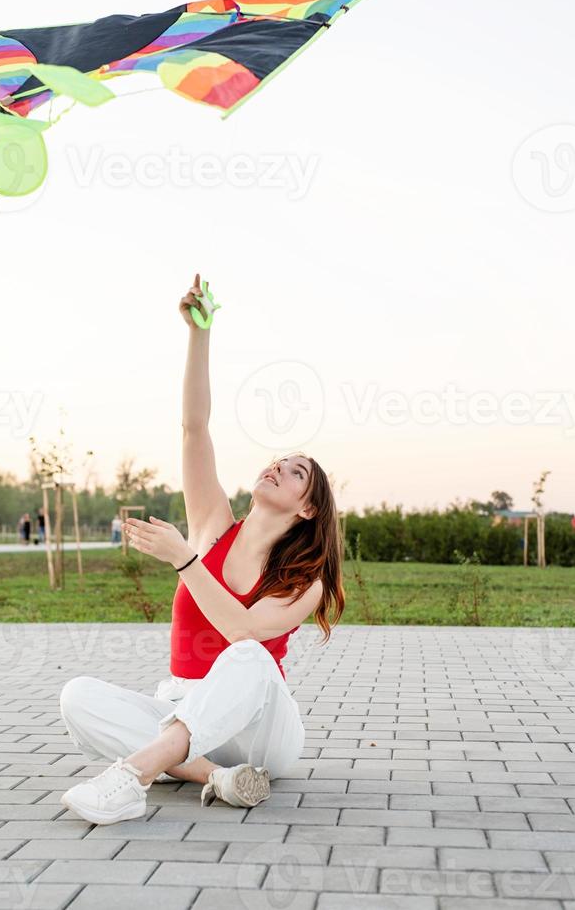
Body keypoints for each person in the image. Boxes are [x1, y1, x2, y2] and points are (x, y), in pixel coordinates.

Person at [58, 272, 344, 827]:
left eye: (294, 472)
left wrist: (183, 560)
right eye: (277, 461)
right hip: (185, 706)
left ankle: (129, 779)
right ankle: (217, 777)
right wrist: (199, 334)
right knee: (79, 696)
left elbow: (241, 630)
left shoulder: (306, 579)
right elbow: (195, 428)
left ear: (307, 508)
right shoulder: (214, 526)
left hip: (260, 726)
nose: (277, 467)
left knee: (248, 655)